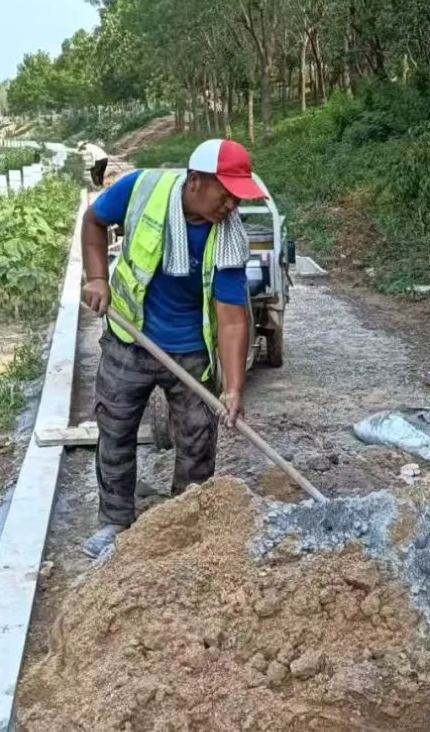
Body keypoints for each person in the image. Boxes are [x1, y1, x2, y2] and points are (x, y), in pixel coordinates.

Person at [79, 138, 265, 557]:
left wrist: (233, 388)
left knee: (198, 440)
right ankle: (114, 521)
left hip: (191, 349)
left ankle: (186, 523)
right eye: (226, 194)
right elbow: (93, 221)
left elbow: (232, 319)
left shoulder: (229, 237)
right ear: (195, 180)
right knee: (115, 431)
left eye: (238, 198)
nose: (232, 206)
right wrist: (97, 278)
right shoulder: (141, 189)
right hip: (130, 338)